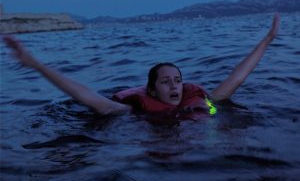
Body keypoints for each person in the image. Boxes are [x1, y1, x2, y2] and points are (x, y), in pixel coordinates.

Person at [2, 14, 280, 118]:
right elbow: (86, 96)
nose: (174, 85)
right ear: (151, 89)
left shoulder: (203, 99)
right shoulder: (133, 111)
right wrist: (36, 64)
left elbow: (238, 76)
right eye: (165, 81)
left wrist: (268, 40)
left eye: (177, 80)